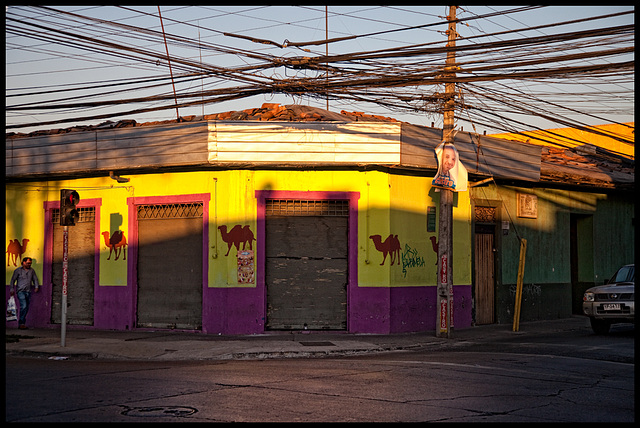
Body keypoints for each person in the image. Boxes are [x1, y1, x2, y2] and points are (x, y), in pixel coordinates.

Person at [9, 257, 40, 329]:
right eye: (28, 263)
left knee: (26, 307)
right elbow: (13, 280)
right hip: (20, 291)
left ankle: (22, 323)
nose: (29, 264)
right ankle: (21, 323)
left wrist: (36, 286)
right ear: (23, 262)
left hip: (28, 291)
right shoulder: (18, 271)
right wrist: (11, 289)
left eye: (30, 263)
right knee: (24, 306)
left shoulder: (32, 271)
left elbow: (35, 279)